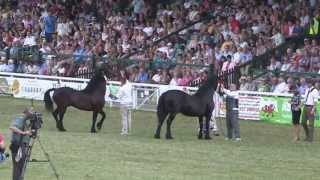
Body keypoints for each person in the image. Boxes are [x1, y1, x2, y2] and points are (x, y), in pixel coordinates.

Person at [9, 108, 34, 180]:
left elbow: (25, 132)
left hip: (21, 145)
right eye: (31, 111)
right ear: (27, 112)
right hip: (18, 145)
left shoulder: (25, 121)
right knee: (18, 166)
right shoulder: (20, 118)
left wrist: (30, 132)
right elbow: (12, 127)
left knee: (21, 166)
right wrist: (23, 133)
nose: (32, 113)